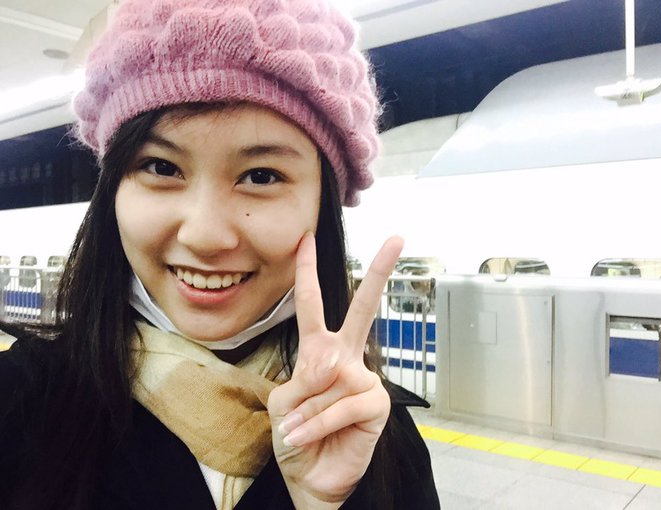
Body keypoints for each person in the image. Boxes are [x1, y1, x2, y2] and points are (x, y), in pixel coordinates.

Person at [0, 1, 440, 509]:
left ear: (322, 207)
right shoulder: (19, 403)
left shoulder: (378, 439)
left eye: (261, 176)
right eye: (161, 167)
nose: (206, 236)